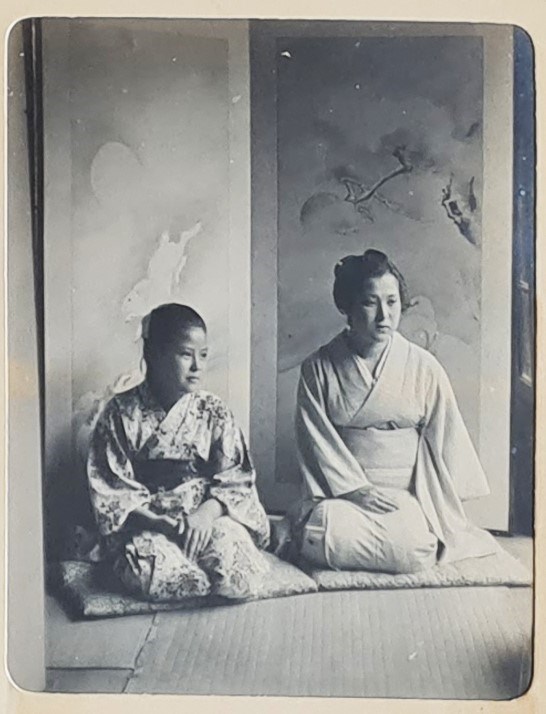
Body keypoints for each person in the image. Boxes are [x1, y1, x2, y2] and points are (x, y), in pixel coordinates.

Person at [294, 249, 499, 573]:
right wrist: (357, 491)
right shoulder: (318, 367)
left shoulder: (424, 366)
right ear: (346, 306)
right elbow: (315, 440)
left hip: (407, 493)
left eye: (392, 302)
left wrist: (441, 503)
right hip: (343, 493)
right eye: (369, 302)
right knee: (322, 534)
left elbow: (446, 434)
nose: (383, 315)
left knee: (416, 546)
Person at [87, 303, 270, 602]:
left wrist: (204, 516)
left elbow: (237, 479)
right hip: (151, 520)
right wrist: (160, 523)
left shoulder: (213, 410)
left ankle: (206, 569)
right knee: (156, 575)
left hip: (205, 518)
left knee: (240, 576)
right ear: (155, 354)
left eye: (203, 355)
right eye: (186, 354)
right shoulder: (120, 412)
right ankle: (187, 572)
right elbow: (113, 491)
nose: (197, 366)